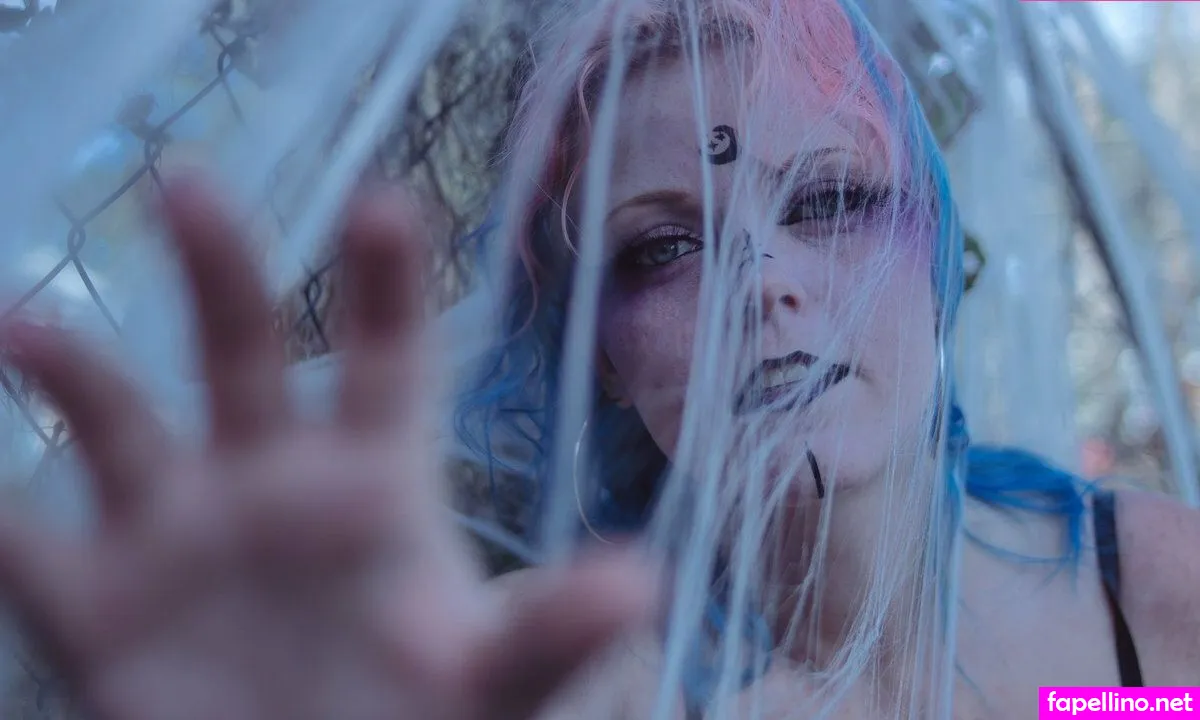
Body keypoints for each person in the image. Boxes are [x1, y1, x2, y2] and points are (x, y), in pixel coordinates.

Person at [0, 2, 1196, 720]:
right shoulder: (576, 677)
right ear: (597, 352)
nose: (764, 283)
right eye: (664, 246)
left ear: (932, 250)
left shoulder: (1140, 611)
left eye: (829, 199)